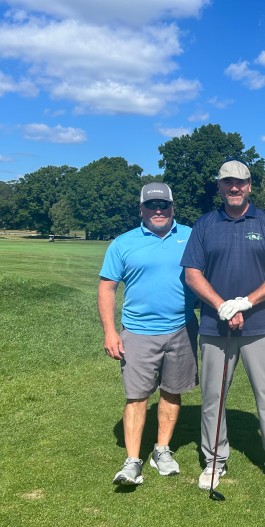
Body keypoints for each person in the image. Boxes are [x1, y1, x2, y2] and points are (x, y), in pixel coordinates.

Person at [180, 158, 265, 492]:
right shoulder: (205, 224)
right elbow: (192, 274)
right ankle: (214, 460)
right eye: (228, 182)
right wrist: (222, 306)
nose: (234, 188)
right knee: (213, 396)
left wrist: (246, 302)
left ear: (249, 186)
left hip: (263, 326)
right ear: (219, 186)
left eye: (240, 182)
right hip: (215, 327)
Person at [98, 182, 199, 485]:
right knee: (137, 396)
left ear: (172, 207)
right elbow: (107, 288)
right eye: (152, 205)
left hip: (182, 328)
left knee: (172, 391)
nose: (158, 210)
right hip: (137, 332)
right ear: (141, 208)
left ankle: (162, 450)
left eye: (164, 205)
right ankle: (132, 461)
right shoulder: (122, 243)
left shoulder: (191, 236)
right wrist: (110, 332)